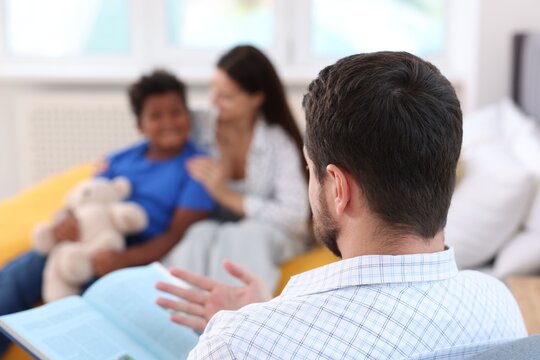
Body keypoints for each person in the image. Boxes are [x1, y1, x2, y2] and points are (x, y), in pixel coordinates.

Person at [156, 52, 528, 359]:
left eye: (310, 170)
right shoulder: (499, 305)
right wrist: (271, 314)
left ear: (338, 187)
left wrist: (258, 329)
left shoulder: (237, 343)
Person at [0, 70, 215, 356]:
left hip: (130, 253)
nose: (168, 123)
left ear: (188, 115)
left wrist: (123, 259)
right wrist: (66, 222)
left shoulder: (196, 168)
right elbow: (84, 198)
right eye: (156, 116)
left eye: (176, 112)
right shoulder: (119, 159)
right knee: (19, 273)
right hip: (82, 240)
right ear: (140, 124)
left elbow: (176, 235)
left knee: (86, 307)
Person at [162, 45, 310, 292]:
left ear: (256, 99)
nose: (213, 100)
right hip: (213, 227)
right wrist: (114, 162)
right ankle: (180, 318)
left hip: (265, 233)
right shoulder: (198, 125)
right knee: (198, 234)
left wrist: (225, 195)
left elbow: (294, 216)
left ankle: (238, 320)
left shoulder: (278, 143)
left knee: (244, 235)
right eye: (213, 90)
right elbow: (155, 139)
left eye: (226, 96)